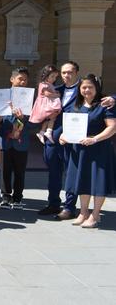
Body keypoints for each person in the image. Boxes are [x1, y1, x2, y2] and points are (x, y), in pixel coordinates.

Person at [38, 62, 115, 219]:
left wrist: (114, 98)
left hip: (79, 140)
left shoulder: (86, 89)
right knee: (54, 170)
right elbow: (41, 108)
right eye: (64, 72)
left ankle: (69, 207)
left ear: (77, 73)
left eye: (70, 72)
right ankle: (53, 203)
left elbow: (104, 98)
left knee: (73, 172)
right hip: (57, 137)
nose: (66, 75)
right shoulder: (55, 90)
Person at [60, 75, 115, 228]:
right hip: (80, 150)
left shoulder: (104, 105)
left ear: (97, 88)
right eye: (83, 87)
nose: (86, 90)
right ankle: (83, 212)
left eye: (90, 87)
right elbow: (68, 126)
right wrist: (64, 136)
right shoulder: (76, 105)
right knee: (82, 181)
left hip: (99, 149)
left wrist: (95, 139)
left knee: (98, 182)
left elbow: (112, 127)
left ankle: (95, 214)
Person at [0, 67, 33, 210]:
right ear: (12, 79)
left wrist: (22, 119)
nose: (23, 82)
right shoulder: (2, 96)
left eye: (25, 79)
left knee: (20, 171)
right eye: (20, 79)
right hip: (5, 141)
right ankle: (6, 197)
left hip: (21, 141)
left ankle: (18, 197)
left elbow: (33, 122)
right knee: (5, 171)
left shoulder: (30, 98)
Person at [30, 64, 62, 144]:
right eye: (52, 76)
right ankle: (47, 131)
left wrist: (55, 92)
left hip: (48, 103)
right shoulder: (43, 84)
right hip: (45, 104)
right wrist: (57, 95)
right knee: (53, 115)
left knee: (50, 118)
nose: (54, 79)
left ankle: (44, 131)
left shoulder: (48, 84)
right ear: (46, 75)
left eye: (55, 77)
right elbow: (47, 94)